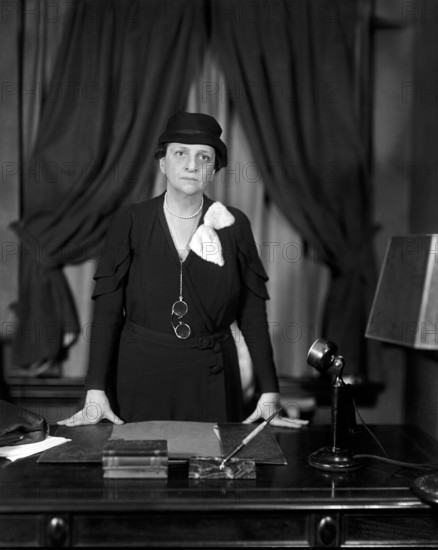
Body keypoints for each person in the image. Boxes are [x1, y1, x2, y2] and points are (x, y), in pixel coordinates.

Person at [59, 112, 308, 429]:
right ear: (163, 162)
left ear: (214, 169)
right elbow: (107, 312)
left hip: (212, 377)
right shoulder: (130, 221)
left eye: (204, 156)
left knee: (213, 474)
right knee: (143, 472)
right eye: (181, 153)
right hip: (140, 377)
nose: (192, 165)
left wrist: (269, 391)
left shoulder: (235, 225)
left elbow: (252, 314)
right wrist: (95, 390)